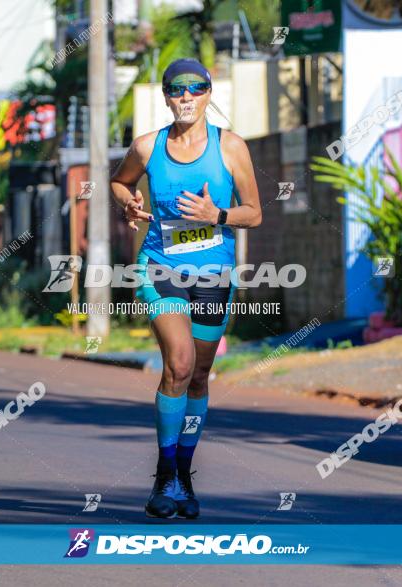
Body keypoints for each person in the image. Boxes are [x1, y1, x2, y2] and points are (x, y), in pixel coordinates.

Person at [110, 58, 262, 519]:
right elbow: (118, 182)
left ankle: (184, 474)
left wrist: (215, 215)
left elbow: (253, 212)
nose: (187, 97)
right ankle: (164, 476)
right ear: (166, 96)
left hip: (215, 274)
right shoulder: (147, 146)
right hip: (161, 266)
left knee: (198, 375)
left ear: (209, 94)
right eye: (178, 89)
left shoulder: (230, 147)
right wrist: (129, 204)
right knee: (177, 361)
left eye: (196, 88)